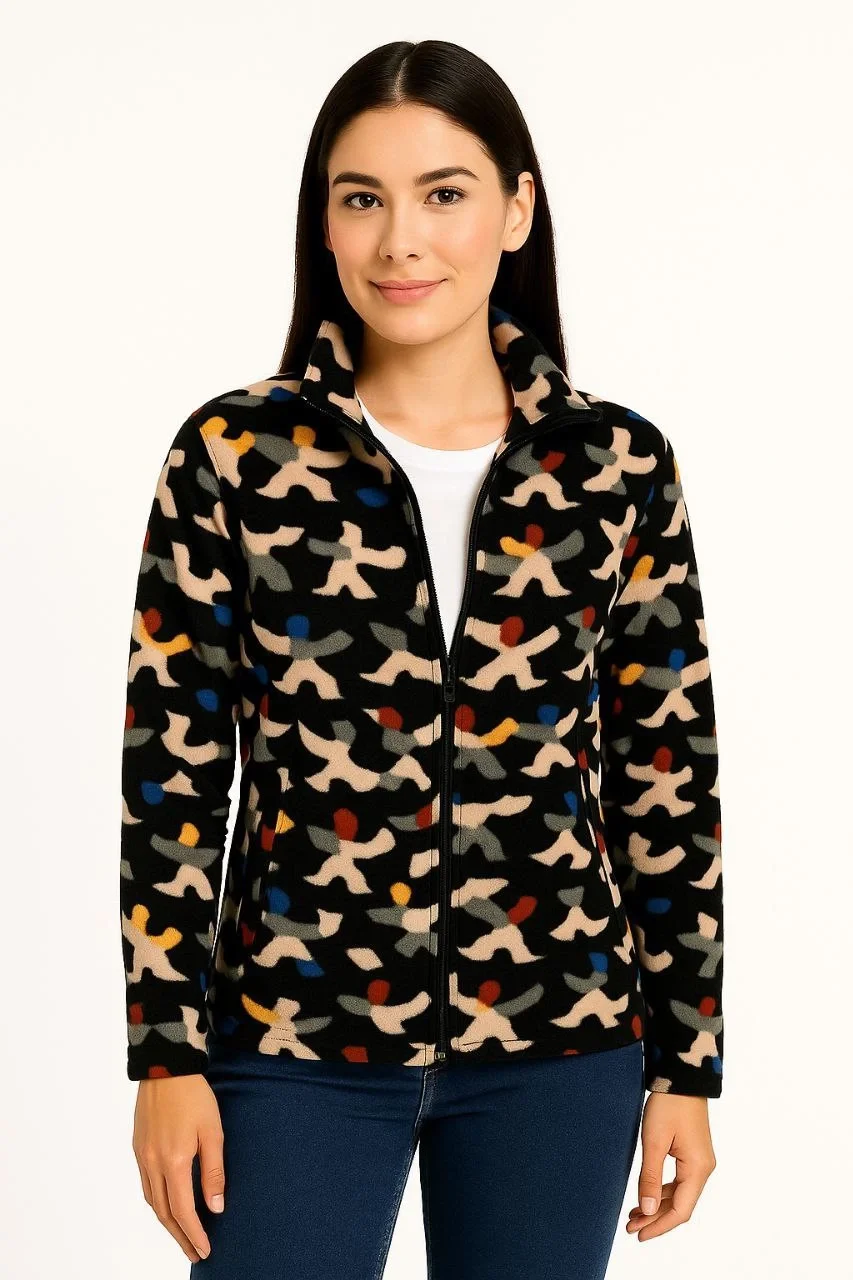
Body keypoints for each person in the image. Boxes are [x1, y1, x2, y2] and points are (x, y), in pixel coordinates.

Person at [120, 39, 723, 1280]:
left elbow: (665, 772)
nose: (401, 240)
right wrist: (165, 1055)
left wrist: (686, 1064)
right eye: (363, 197)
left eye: (444, 193)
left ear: (516, 208)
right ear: (325, 223)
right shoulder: (235, 455)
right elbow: (172, 775)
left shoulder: (614, 466)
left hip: (563, 1039)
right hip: (289, 1036)